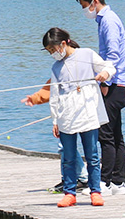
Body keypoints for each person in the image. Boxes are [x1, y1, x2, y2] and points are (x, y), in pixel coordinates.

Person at [44, 26, 114, 208]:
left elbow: (108, 66)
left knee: (92, 155)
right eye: (50, 51)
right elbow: (54, 95)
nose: (53, 54)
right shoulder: (56, 67)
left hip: (87, 112)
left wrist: (104, 74)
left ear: (64, 43)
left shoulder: (87, 55)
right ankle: (69, 192)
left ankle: (95, 191)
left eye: (53, 49)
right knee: (68, 156)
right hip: (66, 115)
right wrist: (55, 120)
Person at [75, 0, 125, 195]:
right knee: (115, 134)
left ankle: (105, 183)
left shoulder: (108, 21)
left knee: (105, 135)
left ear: (94, 2)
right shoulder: (106, 19)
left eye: (84, 5)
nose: (84, 11)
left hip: (114, 83)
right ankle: (118, 183)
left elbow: (113, 56)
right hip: (118, 83)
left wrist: (105, 81)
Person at [22, 76, 88, 193]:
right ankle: (72, 179)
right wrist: (35, 98)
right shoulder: (59, 68)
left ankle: (82, 179)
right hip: (66, 113)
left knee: (69, 147)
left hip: (83, 111)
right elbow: (51, 88)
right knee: (64, 146)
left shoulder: (80, 65)